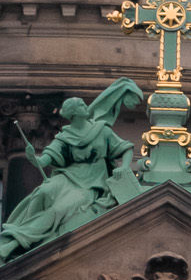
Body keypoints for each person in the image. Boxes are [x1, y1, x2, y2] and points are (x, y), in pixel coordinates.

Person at [0, 80, 142, 263]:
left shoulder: (101, 130)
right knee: (42, 192)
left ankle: (15, 243)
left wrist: (123, 168)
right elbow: (44, 161)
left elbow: (126, 149)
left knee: (58, 209)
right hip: (69, 178)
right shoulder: (64, 137)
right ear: (74, 113)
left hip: (92, 185)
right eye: (82, 105)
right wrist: (32, 157)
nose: (86, 107)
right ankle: (19, 237)